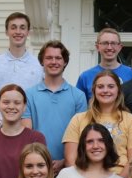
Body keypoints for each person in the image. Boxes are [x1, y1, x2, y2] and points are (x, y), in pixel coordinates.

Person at [63, 69, 132, 174]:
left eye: (111, 86)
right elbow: (70, 159)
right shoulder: (78, 119)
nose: (105, 90)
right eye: (100, 87)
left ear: (118, 90)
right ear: (94, 90)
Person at [22, 41, 88, 171]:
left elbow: (82, 136)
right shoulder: (28, 95)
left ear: (65, 62)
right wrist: (39, 161)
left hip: (69, 166)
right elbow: (26, 134)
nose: (54, 62)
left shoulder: (78, 96)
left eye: (58, 58)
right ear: (42, 61)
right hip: (36, 166)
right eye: (49, 58)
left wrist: (65, 161)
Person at [0, 11, 42, 92]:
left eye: (22, 28)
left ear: (28, 32)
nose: (18, 32)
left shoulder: (39, 66)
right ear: (6, 32)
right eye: (13, 27)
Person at [76, 28, 132, 98]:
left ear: (120, 47)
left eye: (113, 43)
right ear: (97, 47)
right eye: (105, 43)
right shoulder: (85, 77)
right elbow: (80, 106)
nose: (109, 47)